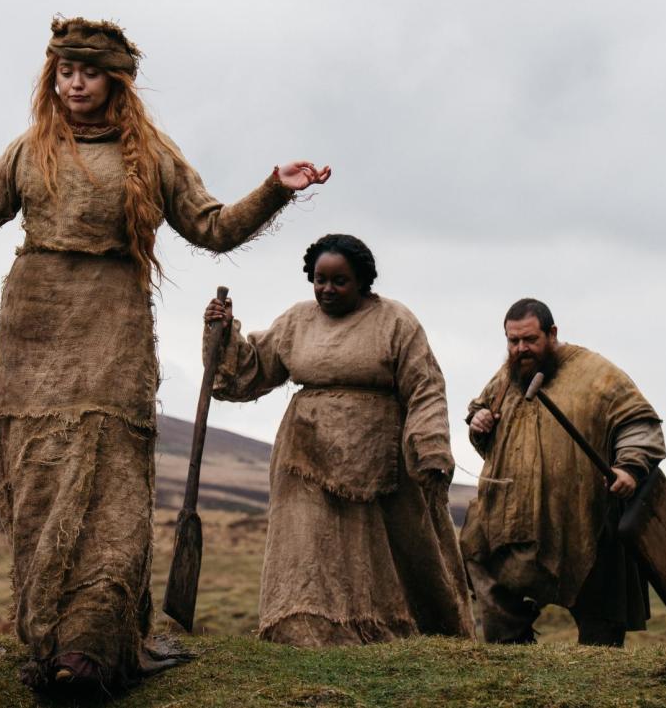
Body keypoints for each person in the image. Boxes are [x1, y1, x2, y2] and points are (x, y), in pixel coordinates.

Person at [0, 17, 330, 691]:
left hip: (113, 336)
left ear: (115, 79)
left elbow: (211, 227)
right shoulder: (29, 151)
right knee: (39, 490)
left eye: (88, 71)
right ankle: (51, 636)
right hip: (32, 337)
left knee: (113, 495)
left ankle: (90, 645)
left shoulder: (150, 154)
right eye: (64, 71)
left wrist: (274, 188)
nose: (74, 83)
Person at [202, 233, 474, 646]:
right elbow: (252, 368)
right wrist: (223, 336)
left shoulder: (396, 321)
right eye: (319, 279)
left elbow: (425, 386)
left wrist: (431, 446)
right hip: (305, 454)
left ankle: (397, 630)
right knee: (308, 547)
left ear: (362, 282)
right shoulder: (297, 321)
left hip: (383, 457)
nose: (327, 289)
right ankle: (307, 630)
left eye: (339, 281)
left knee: (391, 550)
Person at [461, 298, 666, 647]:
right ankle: (513, 663)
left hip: (582, 518)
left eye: (530, 339)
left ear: (552, 333)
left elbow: (638, 425)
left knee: (598, 623)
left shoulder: (598, 375)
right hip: (515, 519)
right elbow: (486, 426)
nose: (521, 349)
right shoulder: (508, 376)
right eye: (513, 341)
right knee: (493, 583)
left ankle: (598, 681)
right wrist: (479, 423)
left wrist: (630, 467)